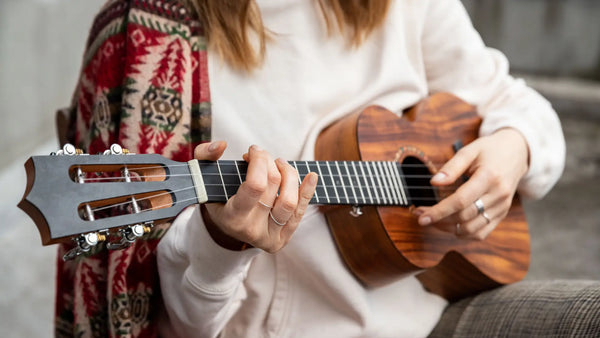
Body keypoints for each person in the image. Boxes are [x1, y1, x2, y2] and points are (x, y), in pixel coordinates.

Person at [55, 0, 594, 337]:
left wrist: (513, 148)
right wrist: (220, 242)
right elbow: (160, 323)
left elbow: (514, 102)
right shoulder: (158, 35)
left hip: (432, 317)